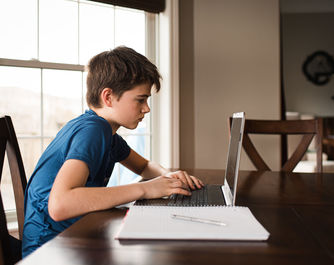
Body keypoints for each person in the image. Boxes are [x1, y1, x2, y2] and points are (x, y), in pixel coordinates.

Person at [22, 46, 204, 257]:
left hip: (70, 237)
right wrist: (146, 189)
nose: (147, 108)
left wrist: (168, 177)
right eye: (140, 99)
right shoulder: (92, 130)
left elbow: (143, 165)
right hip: (49, 249)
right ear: (108, 97)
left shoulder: (107, 134)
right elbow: (60, 204)